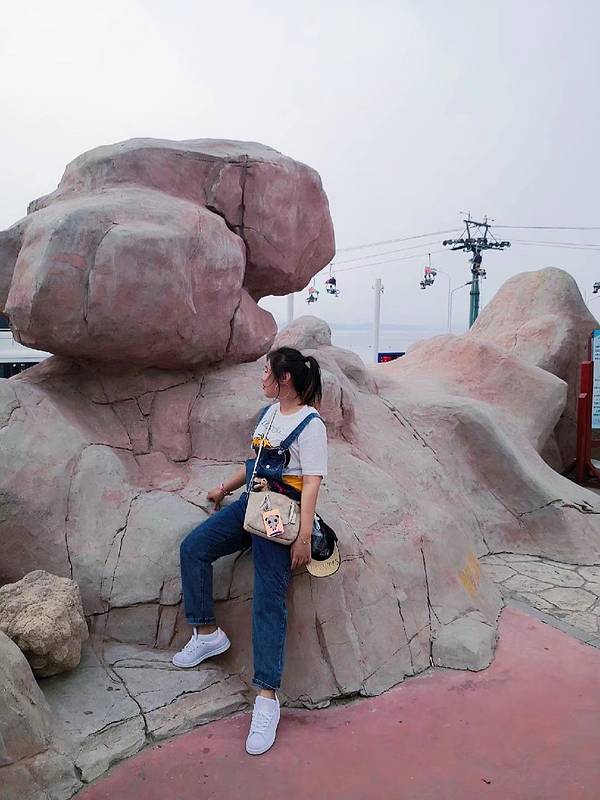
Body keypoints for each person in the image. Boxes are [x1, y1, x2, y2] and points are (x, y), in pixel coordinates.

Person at [172, 346, 327, 755]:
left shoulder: (311, 424)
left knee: (268, 599)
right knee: (194, 548)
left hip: (280, 516)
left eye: (266, 372)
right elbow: (255, 464)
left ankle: (267, 699)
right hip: (251, 505)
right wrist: (223, 488)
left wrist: (304, 536)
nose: (262, 378)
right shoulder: (269, 414)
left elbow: (312, 482)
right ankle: (207, 633)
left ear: (284, 378)